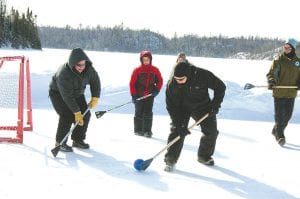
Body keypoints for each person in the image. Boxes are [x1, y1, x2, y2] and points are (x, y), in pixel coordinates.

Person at [164, 61, 226, 171]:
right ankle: (170, 159)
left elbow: (220, 87)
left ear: (187, 75)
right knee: (177, 131)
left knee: (211, 132)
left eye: (181, 79)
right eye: (176, 79)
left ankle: (204, 156)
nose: (178, 82)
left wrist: (214, 106)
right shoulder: (171, 84)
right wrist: (178, 124)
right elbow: (171, 107)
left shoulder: (202, 75)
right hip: (182, 109)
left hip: (203, 107)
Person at [49, 47, 101, 152]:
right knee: (67, 115)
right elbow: (67, 97)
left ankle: (77, 140)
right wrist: (76, 112)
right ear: (73, 63)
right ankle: (60, 142)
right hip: (59, 94)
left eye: (83, 64)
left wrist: (95, 96)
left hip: (77, 93)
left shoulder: (89, 69)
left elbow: (95, 81)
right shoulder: (64, 74)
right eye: (79, 65)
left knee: (85, 114)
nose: (82, 67)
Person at [266, 38, 300, 146]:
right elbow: (272, 73)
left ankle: (276, 129)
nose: (285, 49)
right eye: (284, 47)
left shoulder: (297, 61)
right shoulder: (278, 60)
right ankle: (280, 135)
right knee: (279, 116)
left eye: (288, 47)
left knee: (288, 116)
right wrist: (272, 81)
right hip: (279, 92)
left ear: (293, 49)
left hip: (291, 93)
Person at [129, 50, 163, 138]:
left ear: (150, 59)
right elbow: (132, 83)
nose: (146, 61)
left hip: (150, 95)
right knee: (138, 112)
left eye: (147, 59)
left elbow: (160, 81)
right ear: (141, 60)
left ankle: (147, 131)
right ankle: (138, 130)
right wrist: (134, 95)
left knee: (148, 112)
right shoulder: (137, 70)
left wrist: (156, 90)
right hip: (139, 95)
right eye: (144, 59)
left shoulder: (155, 70)